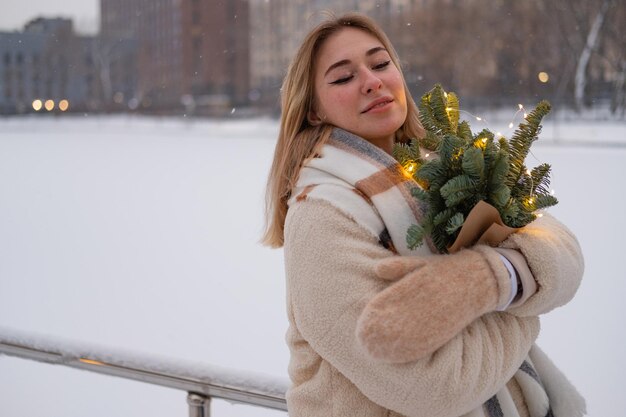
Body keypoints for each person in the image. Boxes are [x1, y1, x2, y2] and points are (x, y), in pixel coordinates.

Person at [262, 12, 585, 417]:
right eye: (343, 77)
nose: (372, 81)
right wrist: (524, 300)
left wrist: (490, 281)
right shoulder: (322, 216)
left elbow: (563, 252)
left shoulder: (446, 167)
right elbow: (437, 388)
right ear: (312, 110)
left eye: (380, 64)